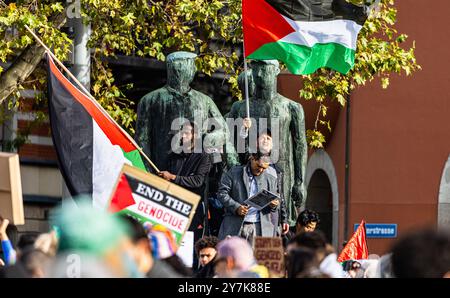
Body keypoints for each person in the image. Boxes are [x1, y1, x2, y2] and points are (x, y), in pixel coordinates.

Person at [228, 60, 308, 228]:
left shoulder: (292, 107)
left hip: (281, 174)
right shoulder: (240, 108)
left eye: (264, 69)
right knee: (247, 223)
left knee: (277, 223)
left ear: (275, 71)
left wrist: (300, 182)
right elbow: (229, 141)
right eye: (255, 69)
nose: (258, 74)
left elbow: (300, 145)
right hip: (246, 176)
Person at [217, 150, 285, 244]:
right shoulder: (234, 172)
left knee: (256, 258)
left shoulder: (270, 178)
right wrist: (236, 207)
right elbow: (221, 193)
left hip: (260, 227)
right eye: (259, 166)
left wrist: (274, 205)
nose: (261, 170)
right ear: (252, 158)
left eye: (264, 168)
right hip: (235, 225)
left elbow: (276, 202)